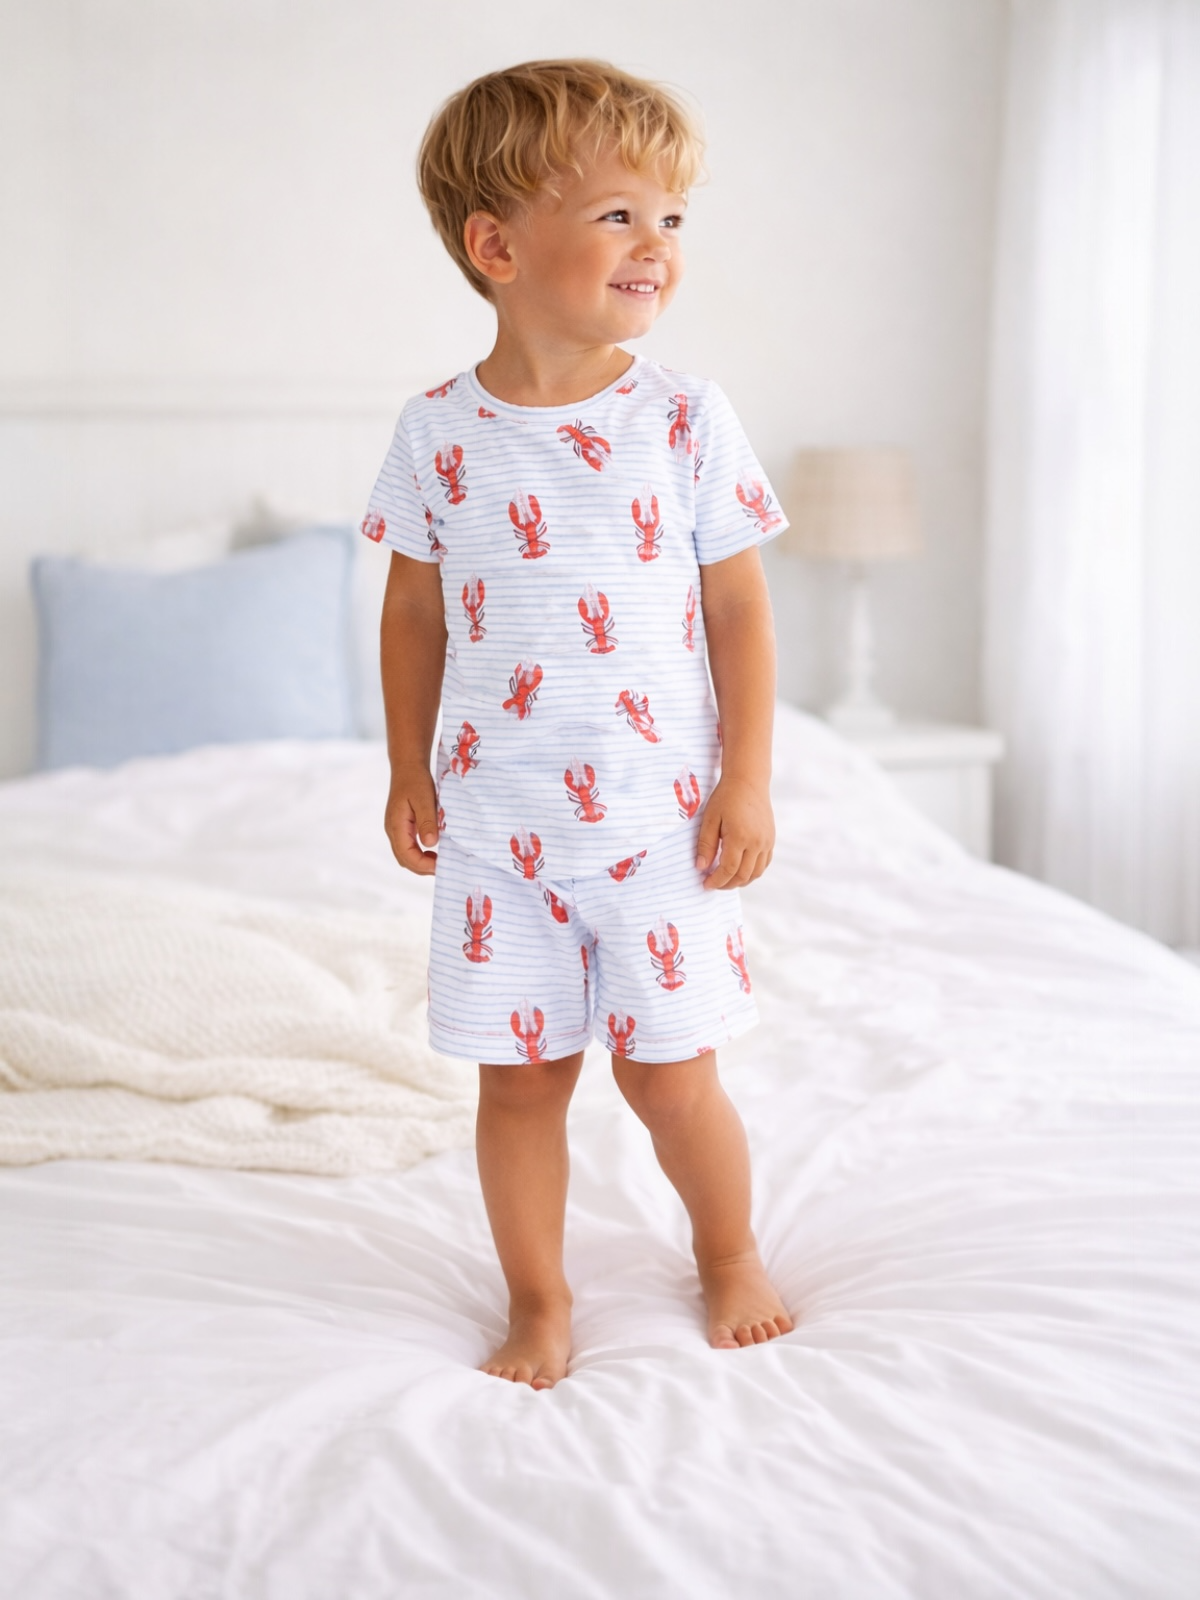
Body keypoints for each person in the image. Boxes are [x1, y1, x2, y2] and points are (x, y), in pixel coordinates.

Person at [362, 58, 793, 1389]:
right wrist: (406, 764)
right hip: (501, 829)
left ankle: (726, 1253)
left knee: (672, 1078)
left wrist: (750, 781)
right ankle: (540, 1301)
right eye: (619, 215)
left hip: (660, 823)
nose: (657, 246)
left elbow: (738, 611)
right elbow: (415, 616)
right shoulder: (438, 435)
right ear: (497, 245)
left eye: (672, 219)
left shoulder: (682, 419)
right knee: (520, 1084)